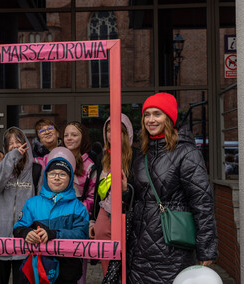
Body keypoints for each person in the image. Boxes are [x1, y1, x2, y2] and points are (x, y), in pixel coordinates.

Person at [127, 93, 218, 283]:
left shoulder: (186, 152)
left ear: (168, 118)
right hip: (139, 249)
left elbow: (202, 202)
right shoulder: (142, 153)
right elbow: (139, 199)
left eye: (157, 114)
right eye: (147, 115)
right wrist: (126, 190)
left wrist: (206, 248)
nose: (151, 120)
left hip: (171, 248)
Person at [13, 147, 89, 284]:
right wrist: (26, 233)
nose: (57, 178)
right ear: (46, 176)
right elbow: (18, 227)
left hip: (67, 272)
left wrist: (54, 234)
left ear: (70, 178)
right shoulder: (32, 203)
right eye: (53, 174)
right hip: (37, 270)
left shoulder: (78, 207)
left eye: (62, 174)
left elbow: (81, 234)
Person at [89, 113, 135, 276]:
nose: (111, 134)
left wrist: (125, 190)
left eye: (117, 130)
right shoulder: (102, 156)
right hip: (104, 215)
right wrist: (93, 220)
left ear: (126, 132)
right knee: (108, 269)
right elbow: (97, 193)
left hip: (126, 217)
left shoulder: (135, 157)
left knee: (126, 268)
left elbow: (138, 192)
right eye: (108, 130)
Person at [0, 127, 36, 284]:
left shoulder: (36, 170)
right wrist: (10, 159)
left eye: (18, 141)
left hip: (25, 240)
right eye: (10, 143)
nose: (15, 146)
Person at [62, 121, 96, 284]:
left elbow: (92, 197)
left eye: (74, 135)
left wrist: (75, 211)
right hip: (56, 219)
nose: (69, 138)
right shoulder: (56, 158)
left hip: (78, 220)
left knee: (77, 269)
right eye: (66, 135)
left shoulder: (90, 166)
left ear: (83, 138)